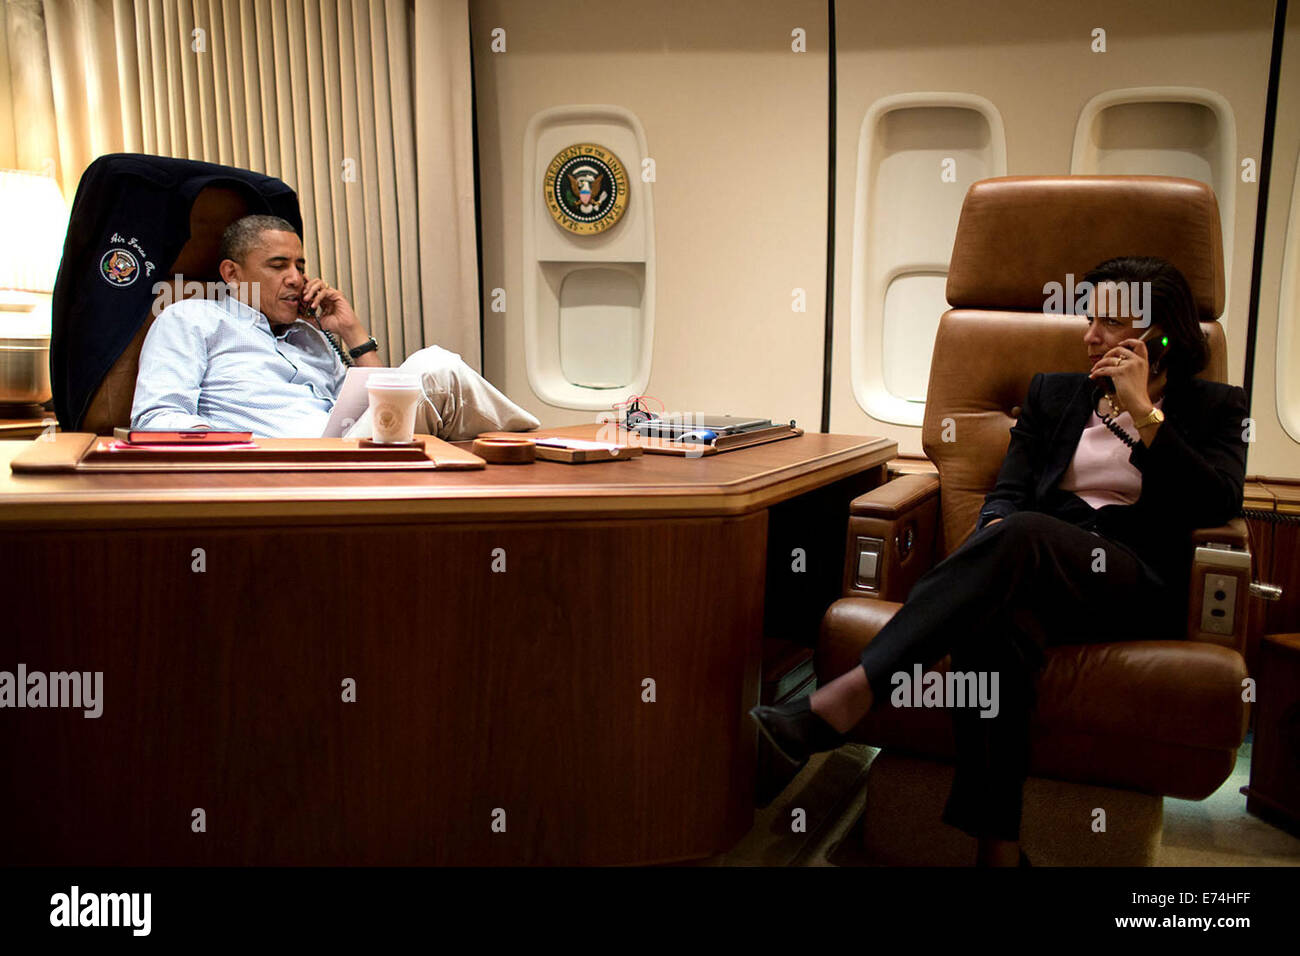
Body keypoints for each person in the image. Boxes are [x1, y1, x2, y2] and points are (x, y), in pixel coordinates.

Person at [750, 256, 1249, 866]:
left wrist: (1143, 413)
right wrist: (989, 546)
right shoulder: (1054, 394)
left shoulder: (1218, 407)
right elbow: (1006, 495)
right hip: (1032, 568)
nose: (1090, 336)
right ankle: (999, 853)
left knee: (1023, 534)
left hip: (1130, 580)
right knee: (994, 635)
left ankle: (851, 693)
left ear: (1160, 334)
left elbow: (1218, 500)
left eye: (1110, 323)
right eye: (1089, 319)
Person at [130, 214, 539, 440]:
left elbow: (377, 406)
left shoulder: (311, 335)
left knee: (450, 410)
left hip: (345, 449)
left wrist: (352, 334)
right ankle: (538, 453)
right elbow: (156, 418)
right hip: (276, 465)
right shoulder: (190, 318)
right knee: (436, 366)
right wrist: (245, 453)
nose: (296, 278)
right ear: (232, 274)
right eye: (278, 266)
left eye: (300, 266)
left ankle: (527, 460)